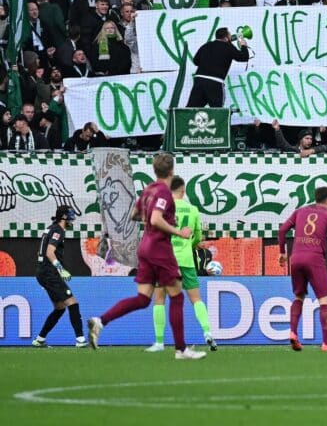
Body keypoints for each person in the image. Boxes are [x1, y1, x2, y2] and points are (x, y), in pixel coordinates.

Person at [87, 153, 206, 360]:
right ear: (172, 170)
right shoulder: (164, 193)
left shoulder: (149, 190)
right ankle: (181, 350)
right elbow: (156, 218)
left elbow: (135, 214)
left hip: (145, 247)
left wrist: (152, 219)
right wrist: (179, 231)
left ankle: (101, 321)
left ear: (155, 170)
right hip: (160, 249)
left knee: (143, 299)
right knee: (177, 297)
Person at [145, 177, 216, 353]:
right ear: (183, 191)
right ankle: (207, 332)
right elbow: (198, 237)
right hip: (186, 260)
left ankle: (159, 342)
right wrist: (190, 245)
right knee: (196, 299)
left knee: (160, 299)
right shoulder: (193, 210)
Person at [278, 186, 327, 352]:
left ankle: (293, 332)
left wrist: (282, 253)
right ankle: (326, 343)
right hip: (314, 258)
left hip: (296, 257)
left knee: (298, 296)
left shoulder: (299, 211)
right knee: (324, 300)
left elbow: (282, 230)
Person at [31, 206, 87, 348]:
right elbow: (50, 252)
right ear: (63, 217)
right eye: (69, 215)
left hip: (43, 272)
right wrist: (61, 269)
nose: (71, 219)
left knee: (60, 307)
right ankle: (80, 340)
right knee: (72, 303)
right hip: (49, 272)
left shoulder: (51, 228)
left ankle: (40, 339)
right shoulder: (58, 230)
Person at [186, 27, 250, 107]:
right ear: (226, 37)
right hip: (215, 82)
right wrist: (243, 46)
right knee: (217, 112)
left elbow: (195, 61)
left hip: (199, 80)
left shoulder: (206, 45)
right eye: (230, 35)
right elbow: (244, 57)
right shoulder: (228, 47)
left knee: (191, 109)